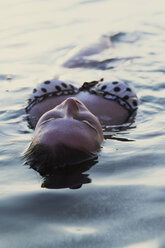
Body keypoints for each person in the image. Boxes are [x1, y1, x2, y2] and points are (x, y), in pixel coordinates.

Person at [24, 78, 138, 175]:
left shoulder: (32, 115)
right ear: (101, 141)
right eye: (86, 123)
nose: (69, 103)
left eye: (50, 119)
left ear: (33, 138)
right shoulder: (121, 121)